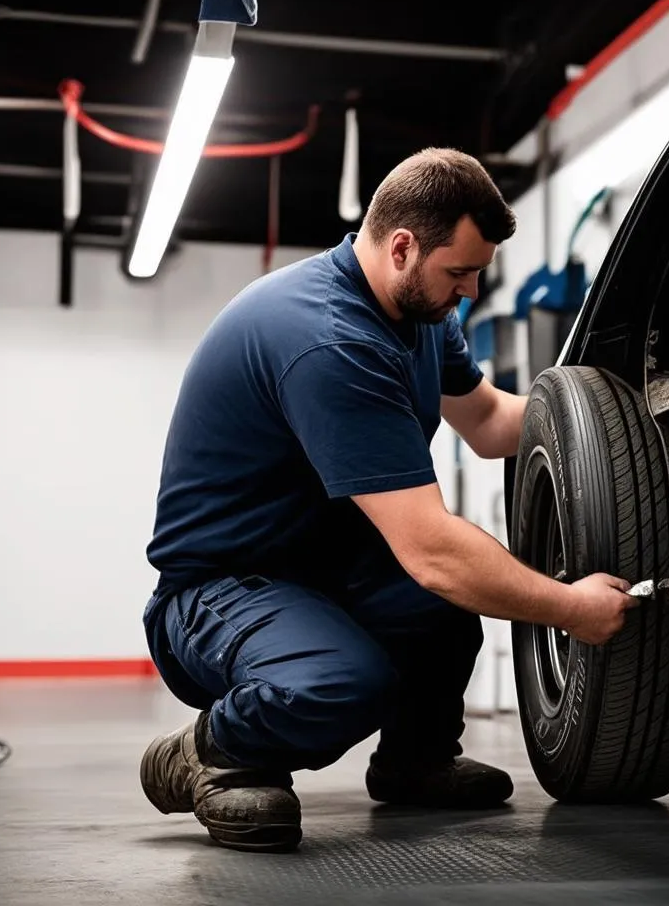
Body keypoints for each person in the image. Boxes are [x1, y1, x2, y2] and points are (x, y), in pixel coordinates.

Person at [139, 147, 637, 852]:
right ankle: (212, 752)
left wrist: (619, 415)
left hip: (324, 577)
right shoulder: (329, 340)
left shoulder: (419, 315)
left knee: (444, 612)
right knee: (345, 679)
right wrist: (572, 609)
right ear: (402, 247)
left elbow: (491, 422)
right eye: (457, 272)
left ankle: (415, 762)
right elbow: (432, 550)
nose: (467, 290)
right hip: (219, 594)